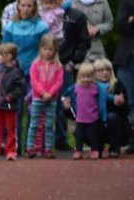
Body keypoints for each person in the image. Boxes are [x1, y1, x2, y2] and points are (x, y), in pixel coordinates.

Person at [3, 0, 50, 156]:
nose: (26, 9)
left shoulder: (41, 27)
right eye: (23, 5)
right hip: (15, 74)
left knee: (33, 110)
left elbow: (45, 50)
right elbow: (5, 51)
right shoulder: (10, 27)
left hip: (35, 74)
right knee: (15, 110)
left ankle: (31, 146)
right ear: (18, 7)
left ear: (34, 8)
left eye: (29, 6)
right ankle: (14, 146)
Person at [56, 0, 92, 150]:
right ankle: (39, 142)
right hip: (44, 66)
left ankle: (62, 140)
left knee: (64, 103)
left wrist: (72, 62)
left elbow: (85, 43)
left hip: (65, 66)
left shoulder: (77, 16)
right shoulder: (43, 15)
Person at [26, 34, 64, 156]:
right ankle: (30, 147)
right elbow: (34, 81)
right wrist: (43, 93)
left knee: (49, 124)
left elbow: (59, 82)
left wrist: (50, 93)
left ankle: (48, 148)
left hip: (52, 99)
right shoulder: (35, 64)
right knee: (34, 124)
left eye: (50, 49)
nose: (47, 52)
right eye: (45, 49)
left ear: (55, 51)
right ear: (40, 49)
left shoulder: (58, 66)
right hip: (38, 98)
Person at [0, 43, 27, 160]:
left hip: (10, 106)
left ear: (9, 56)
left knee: (11, 129)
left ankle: (11, 151)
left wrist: (10, 97)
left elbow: (20, 88)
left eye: (1, 54)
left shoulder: (16, 72)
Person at [63, 61, 102, 158]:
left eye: (89, 77)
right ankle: (78, 150)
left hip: (92, 117)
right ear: (79, 77)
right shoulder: (75, 88)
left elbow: (102, 99)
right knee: (79, 135)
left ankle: (94, 150)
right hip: (80, 118)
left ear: (93, 77)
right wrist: (65, 101)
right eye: (83, 77)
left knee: (92, 135)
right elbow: (65, 95)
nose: (86, 79)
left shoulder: (96, 88)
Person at [94, 58, 130, 157]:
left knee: (112, 117)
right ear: (94, 73)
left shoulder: (118, 86)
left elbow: (127, 111)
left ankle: (115, 148)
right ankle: (97, 147)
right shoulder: (89, 87)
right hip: (96, 124)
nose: (105, 72)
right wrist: (67, 109)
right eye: (101, 70)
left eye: (108, 69)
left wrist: (121, 104)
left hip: (116, 126)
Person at [114, 0, 134, 150]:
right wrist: (128, 22)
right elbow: (120, 25)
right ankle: (130, 138)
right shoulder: (127, 2)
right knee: (128, 101)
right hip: (127, 60)